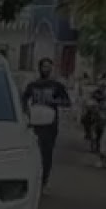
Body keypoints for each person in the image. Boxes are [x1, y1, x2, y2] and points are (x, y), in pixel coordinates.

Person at [20, 58, 71, 189]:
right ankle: (31, 177)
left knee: (47, 153)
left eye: (48, 67)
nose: (46, 69)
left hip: (50, 124)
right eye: (44, 67)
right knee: (31, 150)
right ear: (39, 68)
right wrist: (26, 112)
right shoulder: (33, 85)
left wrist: (54, 101)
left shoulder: (56, 85)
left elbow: (67, 102)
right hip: (34, 123)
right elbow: (23, 100)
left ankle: (44, 180)